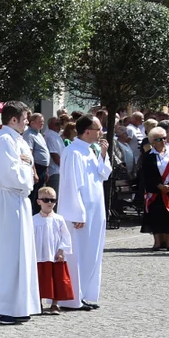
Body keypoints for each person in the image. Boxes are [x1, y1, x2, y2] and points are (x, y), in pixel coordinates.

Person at [0, 102, 39, 325]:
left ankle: (17, 304)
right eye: (25, 118)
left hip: (19, 200)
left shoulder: (18, 139)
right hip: (7, 200)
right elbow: (11, 173)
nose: (28, 121)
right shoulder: (5, 139)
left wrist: (28, 165)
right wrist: (27, 166)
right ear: (14, 119)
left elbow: (30, 171)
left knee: (20, 254)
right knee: (5, 254)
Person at [58, 115, 112, 310]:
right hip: (81, 212)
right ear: (87, 131)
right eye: (98, 129)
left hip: (95, 209)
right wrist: (77, 214)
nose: (101, 133)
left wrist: (104, 154)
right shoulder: (73, 152)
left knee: (92, 252)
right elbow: (72, 185)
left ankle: (85, 293)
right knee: (78, 254)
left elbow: (103, 174)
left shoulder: (90, 151)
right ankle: (72, 298)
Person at [140, 126, 169, 252]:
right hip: (156, 191)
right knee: (156, 216)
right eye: (160, 139)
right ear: (153, 141)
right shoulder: (149, 156)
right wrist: (159, 186)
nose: (163, 141)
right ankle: (157, 242)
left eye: (165, 138)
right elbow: (146, 174)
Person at [32, 186, 73, 315]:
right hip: (39, 254)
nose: (50, 203)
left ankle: (55, 304)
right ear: (39, 201)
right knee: (39, 279)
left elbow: (66, 236)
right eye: (46, 200)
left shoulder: (59, 219)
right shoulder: (33, 220)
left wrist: (61, 251)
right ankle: (37, 302)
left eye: (53, 200)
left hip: (55, 255)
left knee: (56, 279)